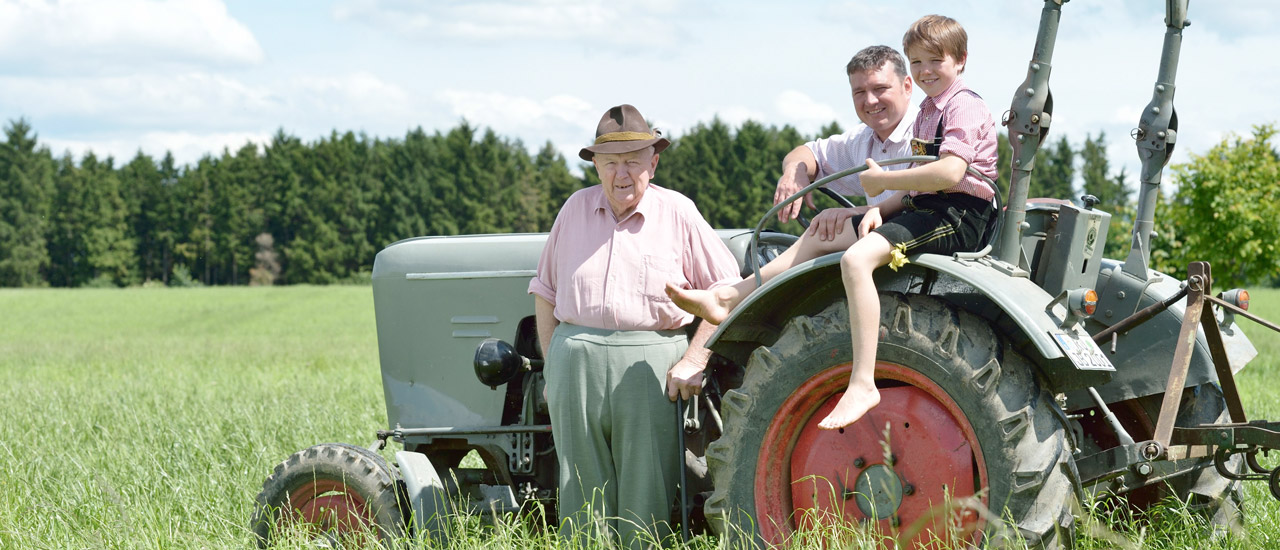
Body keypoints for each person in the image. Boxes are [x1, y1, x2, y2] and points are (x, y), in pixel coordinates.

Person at [667, 14, 998, 429]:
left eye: (881, 88)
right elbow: (889, 178)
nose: (871, 99)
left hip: (957, 213)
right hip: (926, 207)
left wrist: (879, 188)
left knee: (855, 260)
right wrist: (817, 183)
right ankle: (732, 297)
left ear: (957, 62)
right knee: (822, 229)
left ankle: (863, 381)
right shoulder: (927, 111)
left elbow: (948, 174)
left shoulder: (954, 106)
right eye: (860, 91)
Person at [528, 104, 740, 548]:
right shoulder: (574, 209)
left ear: (653, 162)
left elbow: (727, 289)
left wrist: (695, 357)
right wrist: (553, 368)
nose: (621, 174)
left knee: (647, 491)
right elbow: (544, 291)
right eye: (610, 163)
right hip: (574, 358)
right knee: (580, 491)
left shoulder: (678, 211)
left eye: (632, 161)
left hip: (651, 363)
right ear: (596, 166)